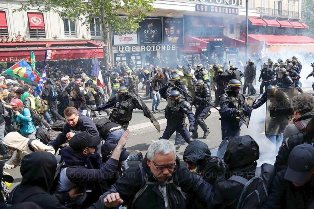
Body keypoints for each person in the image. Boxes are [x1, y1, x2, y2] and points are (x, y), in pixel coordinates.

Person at [101, 139, 216, 209]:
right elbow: (111, 194)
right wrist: (107, 202)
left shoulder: (180, 171)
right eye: (160, 167)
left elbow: (203, 189)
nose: (166, 172)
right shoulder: (135, 175)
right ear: (149, 162)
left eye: (170, 166)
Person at [56, 131, 129, 208]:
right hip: (72, 203)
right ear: (85, 151)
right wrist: (119, 146)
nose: (96, 147)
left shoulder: (75, 156)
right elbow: (105, 173)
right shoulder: (74, 171)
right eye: (93, 146)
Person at [261, 144, 314, 209]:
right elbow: (272, 204)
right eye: (293, 173)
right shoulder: (281, 178)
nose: (294, 180)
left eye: (299, 176)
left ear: (312, 171)